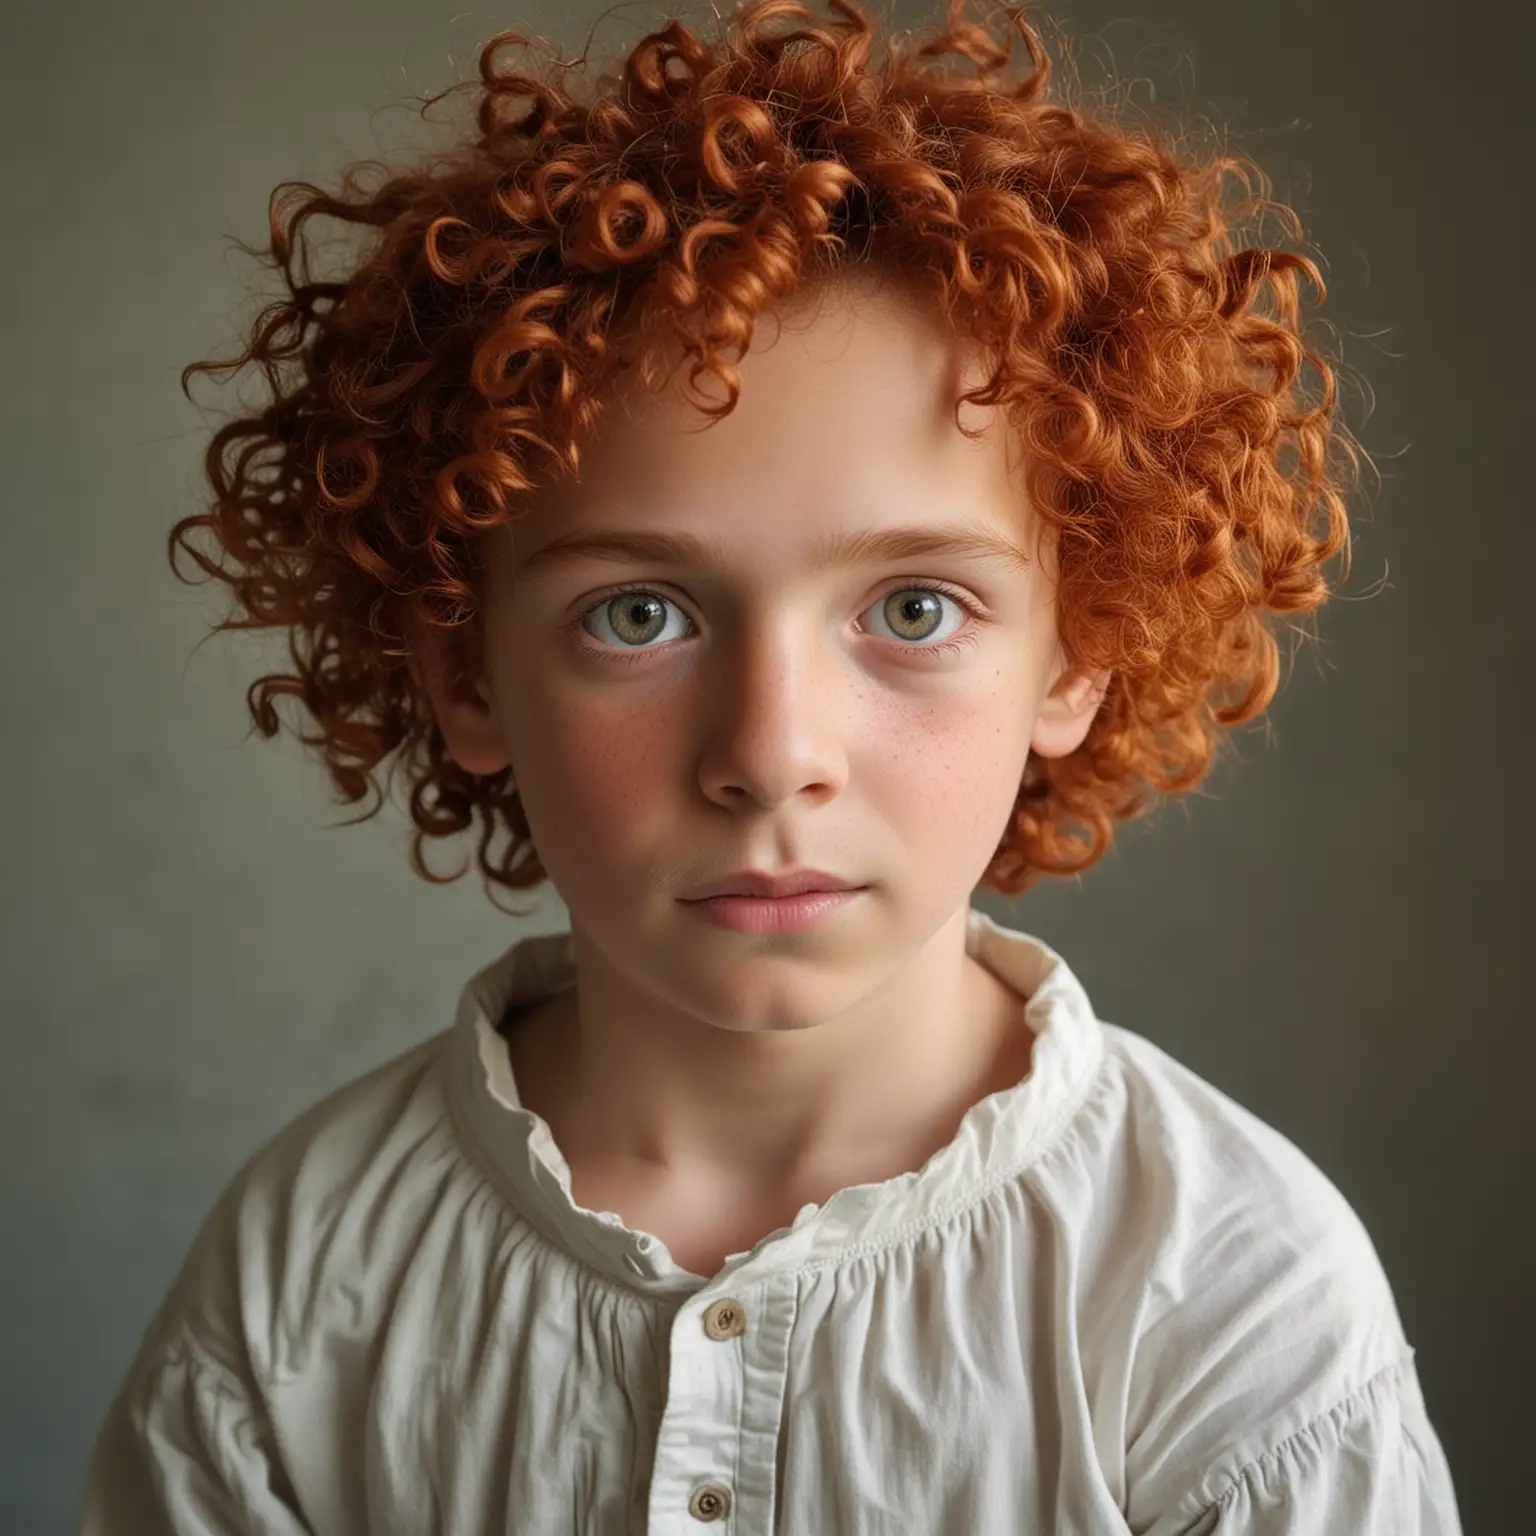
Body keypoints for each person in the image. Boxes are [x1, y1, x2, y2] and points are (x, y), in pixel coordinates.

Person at [79, 1, 1464, 1530]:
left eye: (915, 609)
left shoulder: (1231, 1300)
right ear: (464, 671)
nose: (772, 754)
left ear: (1078, 651)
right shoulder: (299, 1287)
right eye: (640, 613)